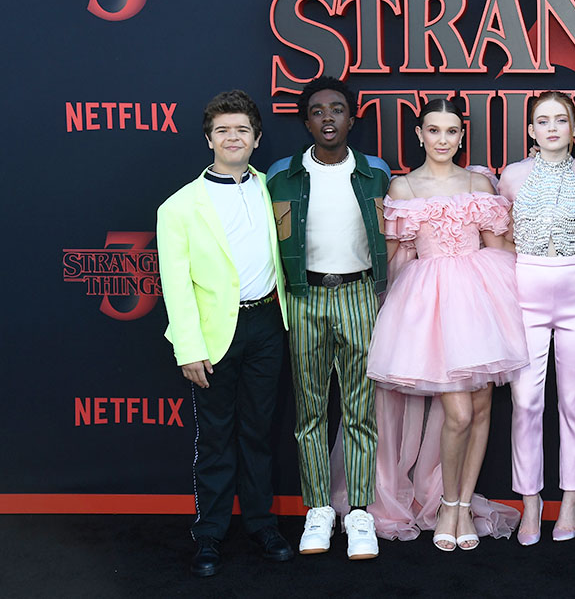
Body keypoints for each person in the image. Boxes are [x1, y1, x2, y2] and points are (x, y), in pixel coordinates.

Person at [366, 98, 528, 551]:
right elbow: (400, 254)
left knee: (480, 410)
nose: (442, 139)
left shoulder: (478, 182)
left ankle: (458, 508)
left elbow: (499, 246)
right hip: (432, 306)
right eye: (433, 130)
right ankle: (444, 505)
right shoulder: (403, 188)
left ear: (461, 136)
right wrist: (395, 312)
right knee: (456, 413)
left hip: (482, 299)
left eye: (451, 131)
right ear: (419, 134)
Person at [157, 89, 293, 577]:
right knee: (215, 437)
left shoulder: (275, 189)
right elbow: (175, 285)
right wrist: (188, 348)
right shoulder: (179, 206)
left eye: (241, 130)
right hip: (215, 333)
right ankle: (210, 532)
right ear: (208, 139)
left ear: (256, 139)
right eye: (222, 130)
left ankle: (261, 524)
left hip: (267, 325)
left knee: (259, 432)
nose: (232, 137)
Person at [265, 77, 390, 560]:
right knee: (310, 408)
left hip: (359, 293)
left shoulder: (375, 172)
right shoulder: (281, 175)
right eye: (317, 111)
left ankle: (359, 512)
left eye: (338, 109)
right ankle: (318, 508)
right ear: (306, 121)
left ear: (352, 118)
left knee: (362, 408)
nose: (328, 118)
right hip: (304, 296)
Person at [497, 92, 575, 545]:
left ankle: (573, 497)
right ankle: (531, 501)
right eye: (543, 120)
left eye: (562, 119)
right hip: (526, 292)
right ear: (532, 130)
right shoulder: (512, 176)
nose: (553, 127)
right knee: (525, 402)